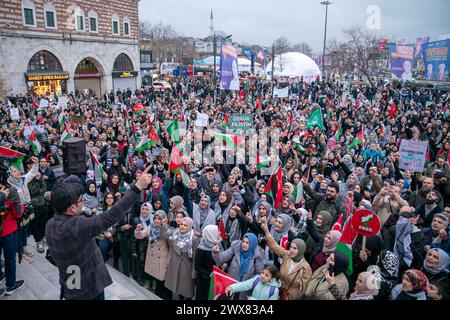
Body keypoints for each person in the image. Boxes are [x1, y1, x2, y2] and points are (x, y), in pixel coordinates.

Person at [44, 166, 152, 300]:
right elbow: (110, 216)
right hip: (89, 289)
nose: (82, 201)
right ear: (72, 208)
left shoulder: (50, 225)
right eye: (80, 200)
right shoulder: (77, 226)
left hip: (70, 283)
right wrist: (137, 187)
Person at [262, 223, 312, 300]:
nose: (291, 250)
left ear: (301, 250)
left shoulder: (306, 268)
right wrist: (266, 231)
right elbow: (274, 245)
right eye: (291, 247)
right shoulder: (287, 255)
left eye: (295, 248)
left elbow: (303, 290)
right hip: (277, 293)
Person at [212, 233, 264, 300]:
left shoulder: (257, 256)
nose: (244, 244)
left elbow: (259, 274)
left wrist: (250, 283)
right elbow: (221, 258)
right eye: (243, 241)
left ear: (252, 244)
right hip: (231, 285)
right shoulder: (236, 248)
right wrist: (216, 252)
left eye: (247, 243)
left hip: (245, 290)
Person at [134, 209, 171, 298]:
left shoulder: (168, 229)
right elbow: (140, 235)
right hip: (153, 257)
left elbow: (170, 246)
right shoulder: (151, 227)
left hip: (162, 260)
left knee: (161, 282)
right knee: (157, 282)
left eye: (159, 218)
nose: (156, 220)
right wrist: (138, 230)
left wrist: (168, 262)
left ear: (164, 219)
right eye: (155, 218)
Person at [0, 176, 24, 296]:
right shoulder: (11, 191)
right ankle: (11, 285)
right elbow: (18, 214)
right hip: (8, 230)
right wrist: (22, 207)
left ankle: (0, 275)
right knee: (10, 259)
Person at [162, 216, 196, 300]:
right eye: (181, 224)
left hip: (186, 268)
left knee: (186, 290)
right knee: (175, 288)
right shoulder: (174, 233)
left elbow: (195, 257)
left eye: (185, 225)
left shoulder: (193, 239)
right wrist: (164, 225)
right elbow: (164, 235)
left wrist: (194, 272)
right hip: (175, 264)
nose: (182, 227)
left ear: (190, 226)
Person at [194, 224, 220, 300]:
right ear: (211, 234)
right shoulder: (201, 249)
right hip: (203, 280)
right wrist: (210, 275)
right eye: (217, 231)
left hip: (213, 279)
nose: (219, 233)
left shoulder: (216, 244)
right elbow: (197, 266)